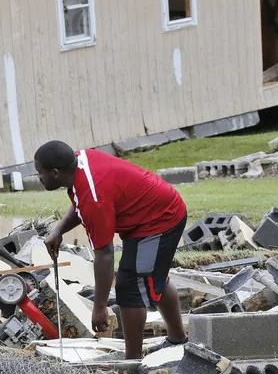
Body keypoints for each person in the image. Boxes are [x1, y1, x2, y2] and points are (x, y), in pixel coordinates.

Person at [35, 140, 188, 360]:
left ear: (56, 172)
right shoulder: (79, 163)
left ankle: (132, 361)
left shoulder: (93, 197)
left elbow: (104, 255)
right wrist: (59, 229)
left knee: (130, 285)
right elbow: (81, 199)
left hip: (160, 221)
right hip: (148, 216)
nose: (38, 177)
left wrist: (100, 307)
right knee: (154, 277)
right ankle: (177, 341)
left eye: (40, 172)